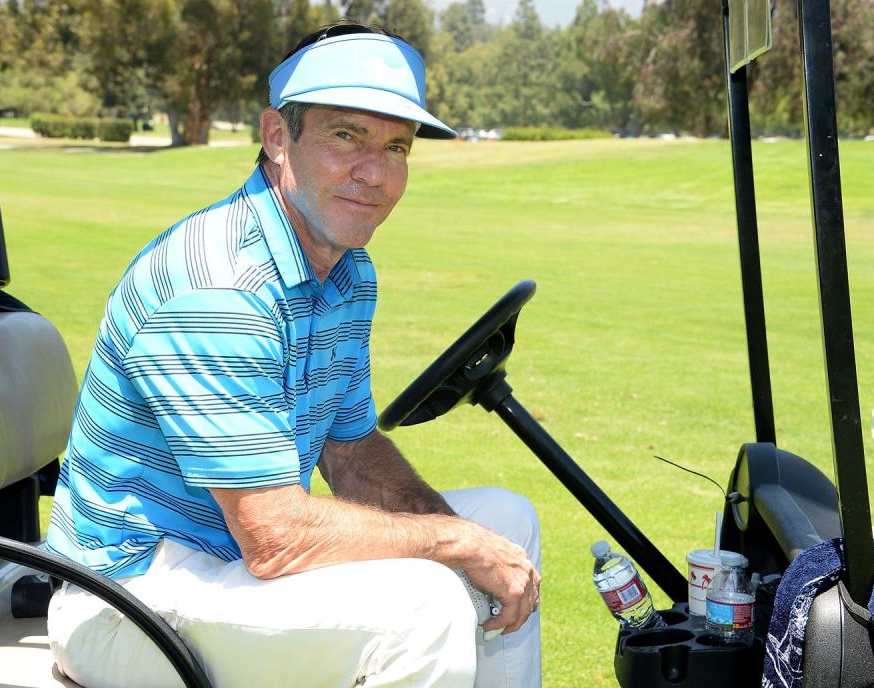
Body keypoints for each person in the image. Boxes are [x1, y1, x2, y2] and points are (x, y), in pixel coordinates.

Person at [45, 22, 542, 688]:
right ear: (278, 137)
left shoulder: (347, 271)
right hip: (126, 596)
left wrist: (470, 540)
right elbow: (274, 535)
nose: (375, 174)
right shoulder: (220, 284)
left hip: (227, 567)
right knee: (424, 610)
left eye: (396, 147)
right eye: (346, 137)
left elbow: (350, 451)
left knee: (507, 523)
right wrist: (453, 544)